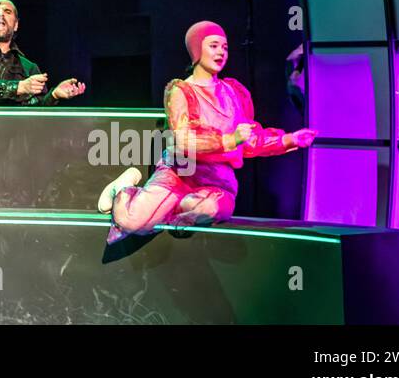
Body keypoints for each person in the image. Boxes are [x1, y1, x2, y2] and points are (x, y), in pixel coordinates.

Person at [96, 20, 318, 245]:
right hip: (178, 173)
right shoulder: (181, 91)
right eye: (213, 45)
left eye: (225, 47)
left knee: (209, 208)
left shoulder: (233, 92)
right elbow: (182, 142)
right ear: (196, 49)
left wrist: (289, 139)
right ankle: (123, 189)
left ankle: (169, 209)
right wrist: (229, 140)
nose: (221, 52)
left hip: (216, 182)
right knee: (131, 221)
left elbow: (249, 140)